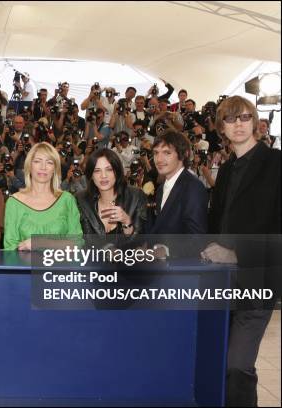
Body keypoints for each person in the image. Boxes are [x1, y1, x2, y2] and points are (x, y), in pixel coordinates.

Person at [203, 96, 281, 407]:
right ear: (221, 127)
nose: (238, 124)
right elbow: (218, 225)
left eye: (244, 117)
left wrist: (236, 255)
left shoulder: (276, 164)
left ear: (257, 123)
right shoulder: (225, 171)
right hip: (222, 286)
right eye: (231, 119)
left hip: (257, 281)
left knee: (237, 366)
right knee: (218, 365)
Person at [3, 142, 82, 250]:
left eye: (49, 162)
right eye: (37, 161)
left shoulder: (67, 199)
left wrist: (41, 243)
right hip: (25, 266)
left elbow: (77, 243)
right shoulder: (14, 203)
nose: (43, 167)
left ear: (55, 168)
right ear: (29, 166)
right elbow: (10, 249)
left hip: (61, 266)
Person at [146, 129, 208, 235]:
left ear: (183, 154)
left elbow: (196, 237)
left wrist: (165, 250)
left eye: (167, 153)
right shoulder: (161, 188)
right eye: (156, 153)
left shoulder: (193, 187)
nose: (159, 159)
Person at [76, 148, 148, 236]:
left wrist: (126, 222)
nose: (103, 176)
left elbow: (141, 242)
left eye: (109, 169)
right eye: (97, 171)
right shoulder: (82, 200)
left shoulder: (136, 196)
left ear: (117, 171)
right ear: (91, 175)